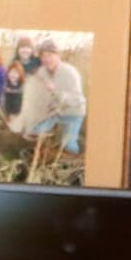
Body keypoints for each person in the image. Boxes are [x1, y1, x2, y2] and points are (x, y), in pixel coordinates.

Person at [13, 37, 87, 176]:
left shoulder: (70, 73)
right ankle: (40, 162)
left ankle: (75, 171)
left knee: (69, 144)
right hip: (53, 113)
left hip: (72, 113)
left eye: (50, 55)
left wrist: (56, 91)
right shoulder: (42, 72)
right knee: (34, 133)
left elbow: (76, 100)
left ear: (57, 56)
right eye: (43, 56)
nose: (47, 59)